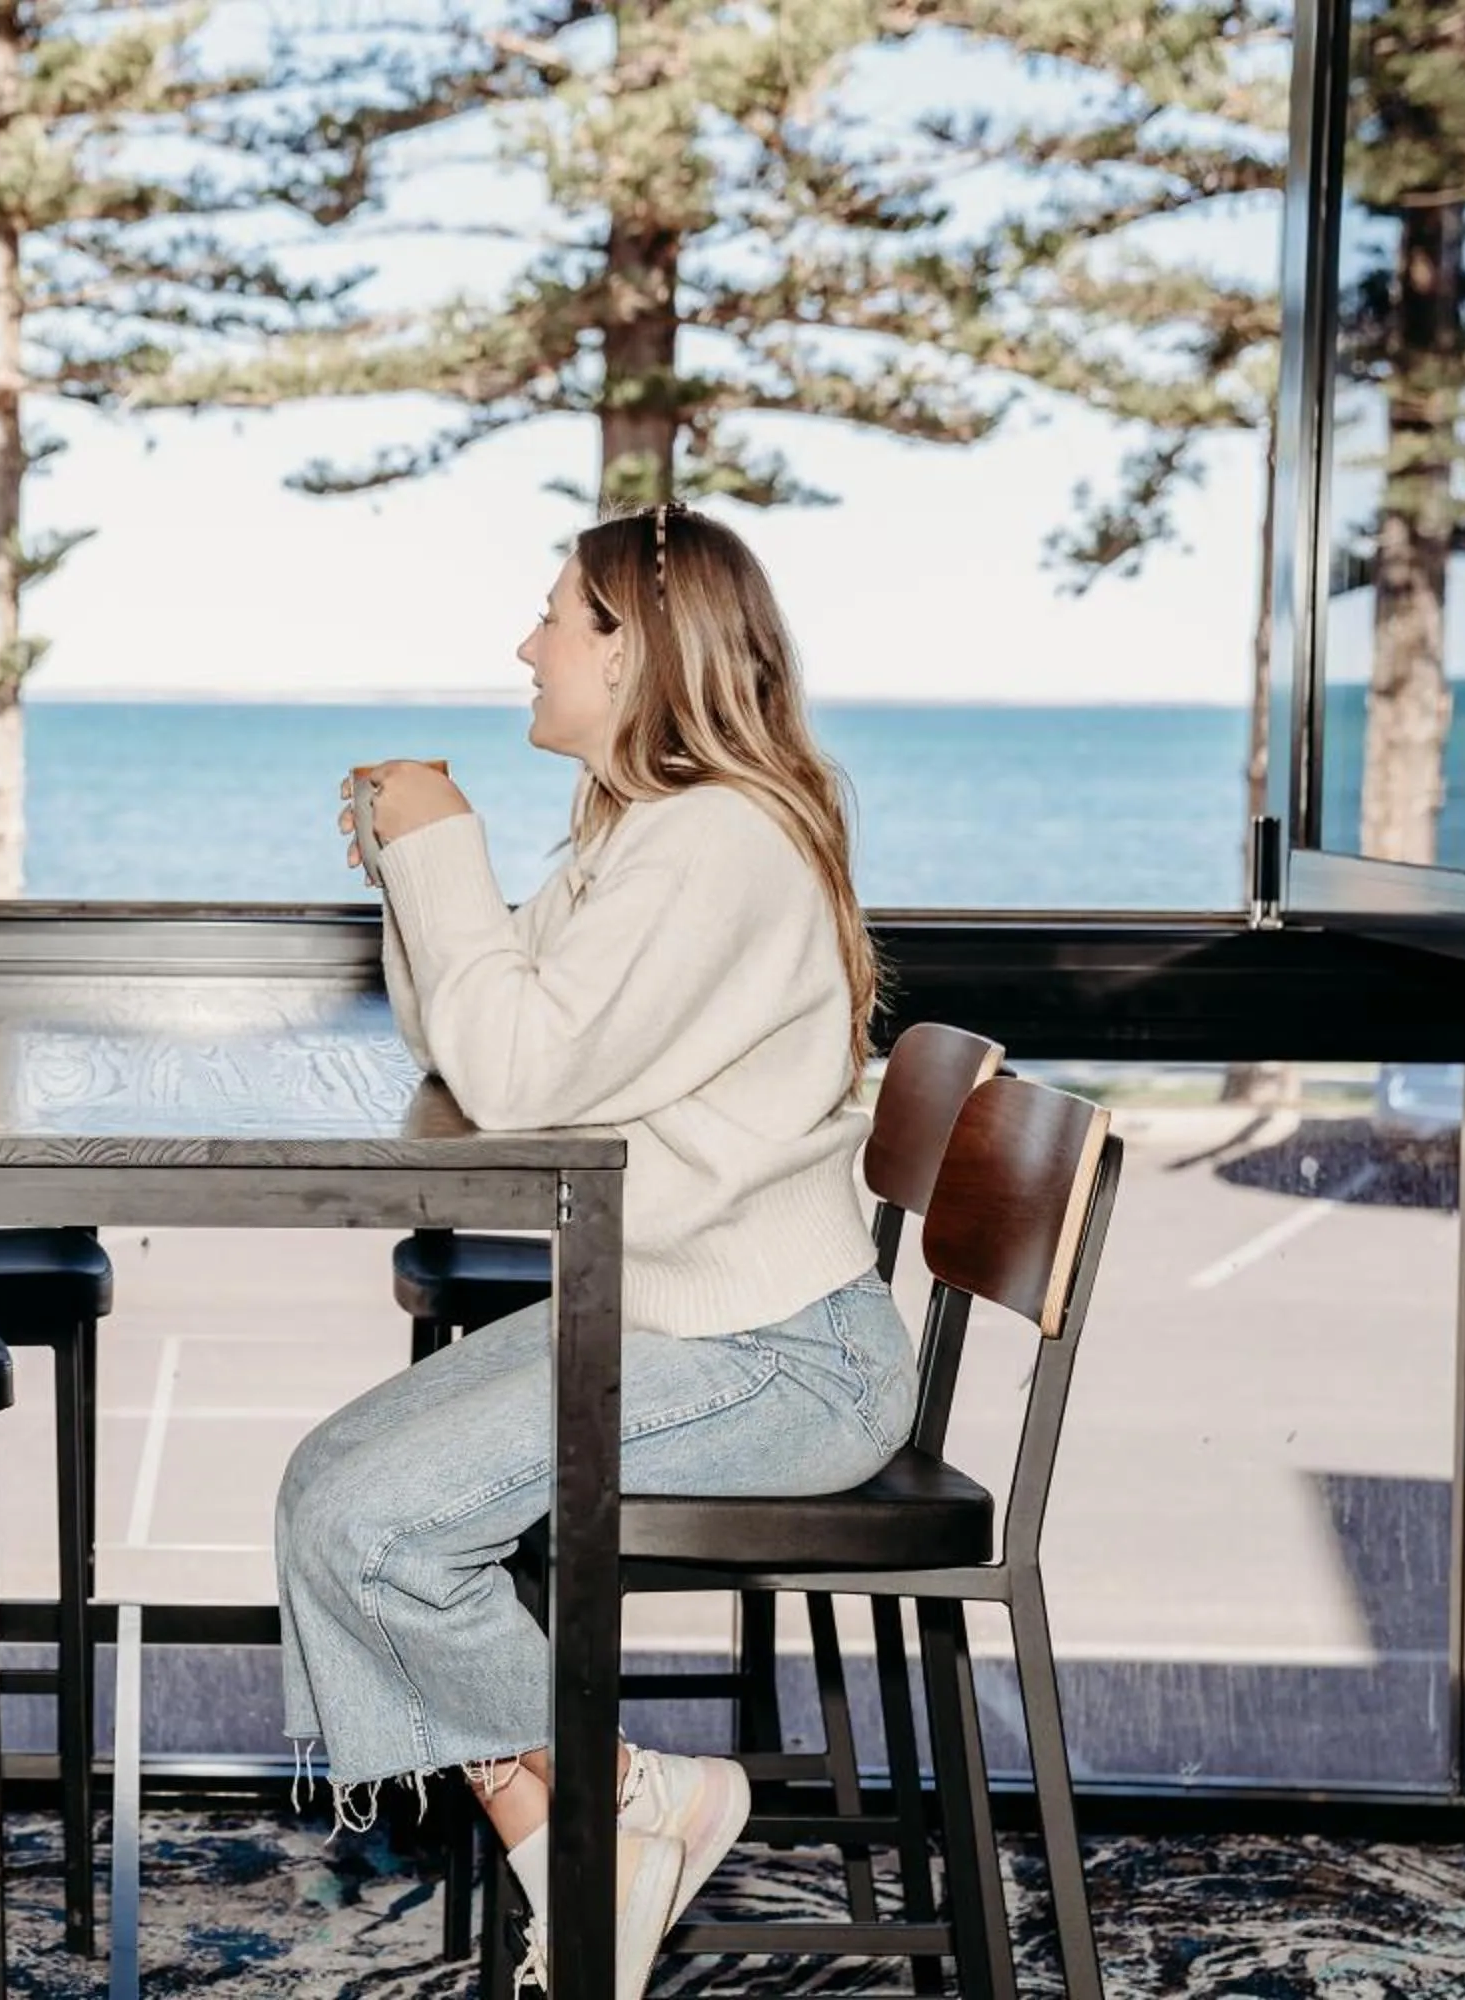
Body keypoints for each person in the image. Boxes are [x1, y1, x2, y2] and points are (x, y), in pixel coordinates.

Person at [279, 504, 914, 1995]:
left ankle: (611, 1820)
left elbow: (513, 1081)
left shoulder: (718, 847)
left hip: (777, 1357)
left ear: (636, 655)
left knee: (372, 1528)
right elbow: (475, 1038)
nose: (528, 642)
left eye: (558, 614)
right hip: (682, 1323)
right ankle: (599, 1830)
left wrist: (443, 842)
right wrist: (411, 876)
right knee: (327, 1489)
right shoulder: (647, 831)